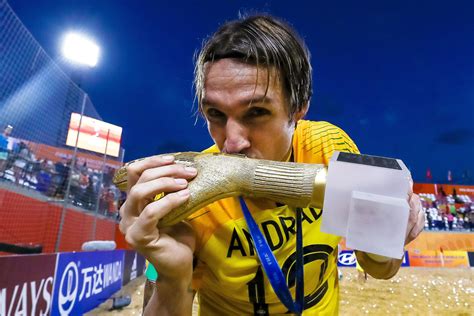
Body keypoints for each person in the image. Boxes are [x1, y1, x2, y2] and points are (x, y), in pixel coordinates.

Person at [119, 15, 425, 315]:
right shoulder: (186, 195)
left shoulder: (329, 147)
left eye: (256, 112)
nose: (232, 142)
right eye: (215, 114)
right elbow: (154, 298)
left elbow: (380, 268)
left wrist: (392, 233)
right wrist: (172, 278)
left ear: (298, 108)